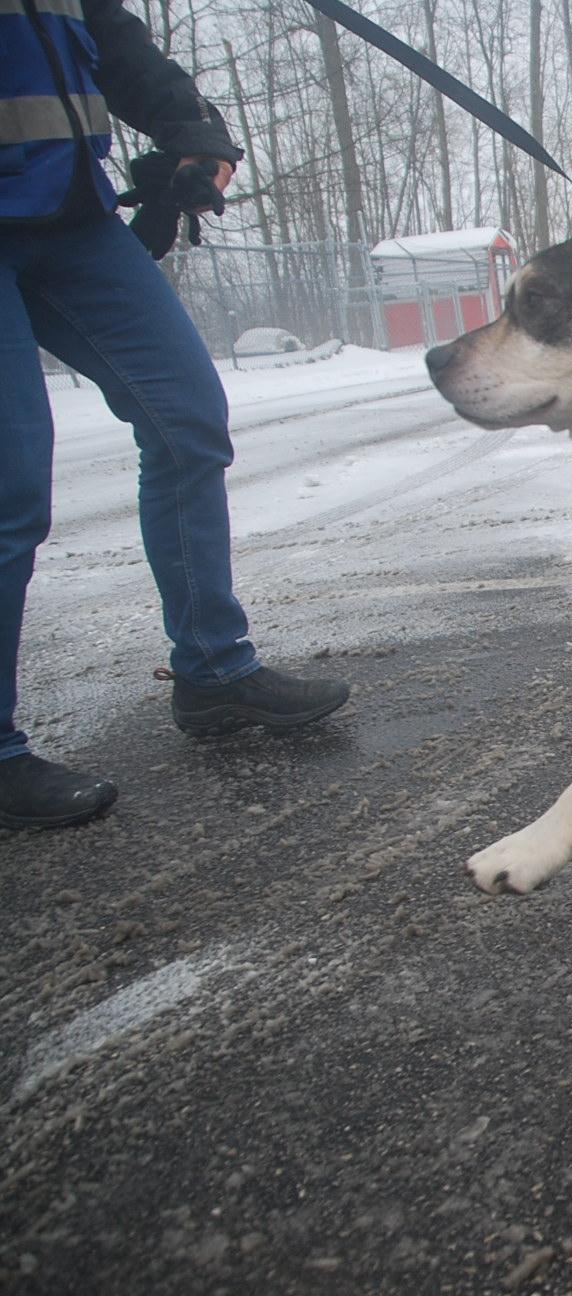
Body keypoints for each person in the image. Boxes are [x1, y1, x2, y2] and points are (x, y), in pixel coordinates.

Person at [1, 0, 350, 830]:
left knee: (187, 420)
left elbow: (118, 48)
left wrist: (196, 137)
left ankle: (213, 669)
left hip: (73, 215)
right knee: (10, 486)